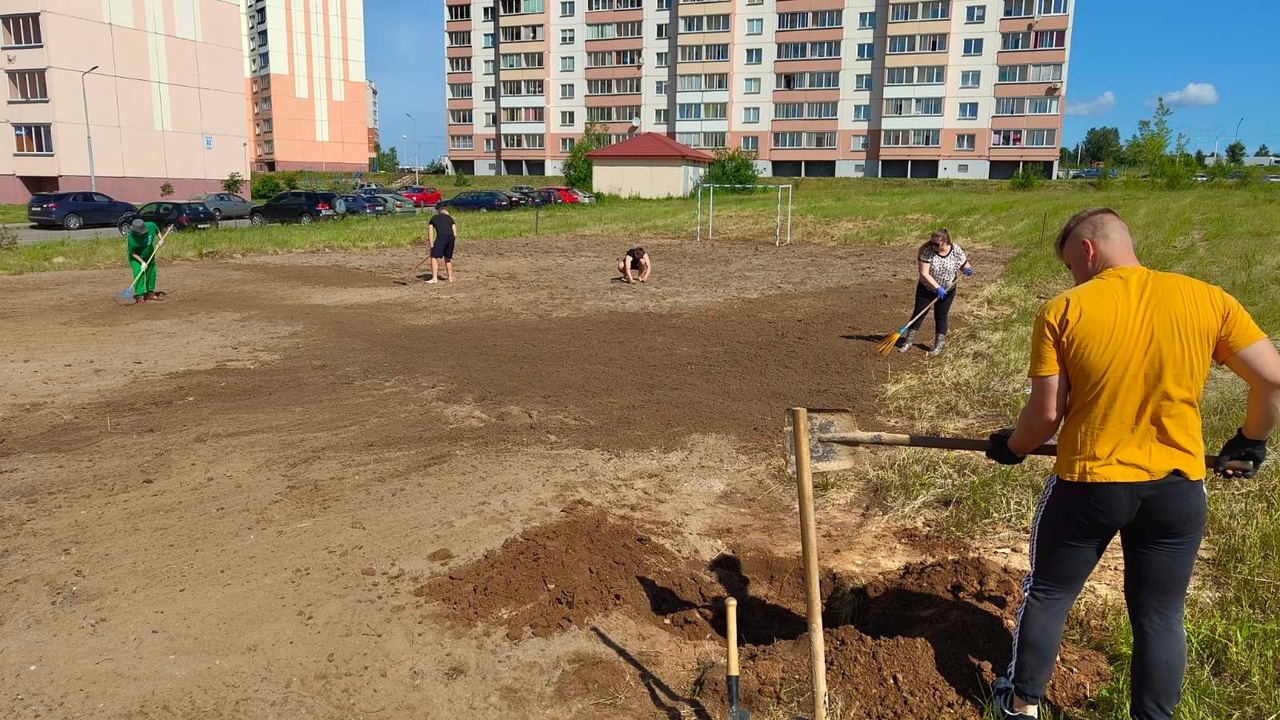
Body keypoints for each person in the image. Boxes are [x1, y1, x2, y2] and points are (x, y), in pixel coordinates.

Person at [984, 208, 1280, 720]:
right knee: (1160, 613)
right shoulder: (1208, 299)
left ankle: (1022, 705)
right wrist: (1251, 441)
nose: (1072, 277)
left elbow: (1046, 415)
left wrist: (1012, 447)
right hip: (1176, 488)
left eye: (1070, 265)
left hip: (1089, 485)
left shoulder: (1064, 309)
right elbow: (1272, 379)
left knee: (1049, 593)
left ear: (1087, 249)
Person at [895, 228, 972, 355]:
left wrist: (967, 269)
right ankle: (907, 342)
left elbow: (964, 265)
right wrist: (937, 288)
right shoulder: (926, 251)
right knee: (918, 314)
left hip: (948, 291)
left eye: (936, 244)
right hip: (927, 289)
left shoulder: (956, 250)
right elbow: (924, 273)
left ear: (945, 241)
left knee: (941, 317)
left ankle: (938, 347)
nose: (933, 246)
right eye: (931, 243)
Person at [126, 218, 163, 304]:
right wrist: (142, 262)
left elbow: (157, 230)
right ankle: (139, 295)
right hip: (136, 257)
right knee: (138, 273)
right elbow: (132, 252)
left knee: (151, 272)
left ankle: (150, 293)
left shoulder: (151, 225)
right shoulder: (132, 238)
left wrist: (161, 240)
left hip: (149, 254)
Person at [426, 206, 457, 284]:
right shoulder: (450, 218)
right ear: (446, 212)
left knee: (434, 257)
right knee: (447, 258)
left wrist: (432, 246)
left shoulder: (433, 218)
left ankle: (434, 278)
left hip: (441, 236)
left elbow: (430, 233)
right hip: (451, 237)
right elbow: (455, 233)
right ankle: (450, 278)